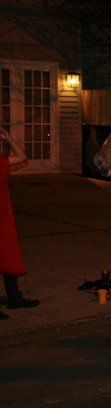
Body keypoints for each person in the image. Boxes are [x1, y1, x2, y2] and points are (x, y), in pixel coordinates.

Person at [0, 128, 39, 321]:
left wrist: (9, 140)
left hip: (3, 216)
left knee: (8, 256)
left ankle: (14, 298)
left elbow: (22, 156)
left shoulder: (0, 160)